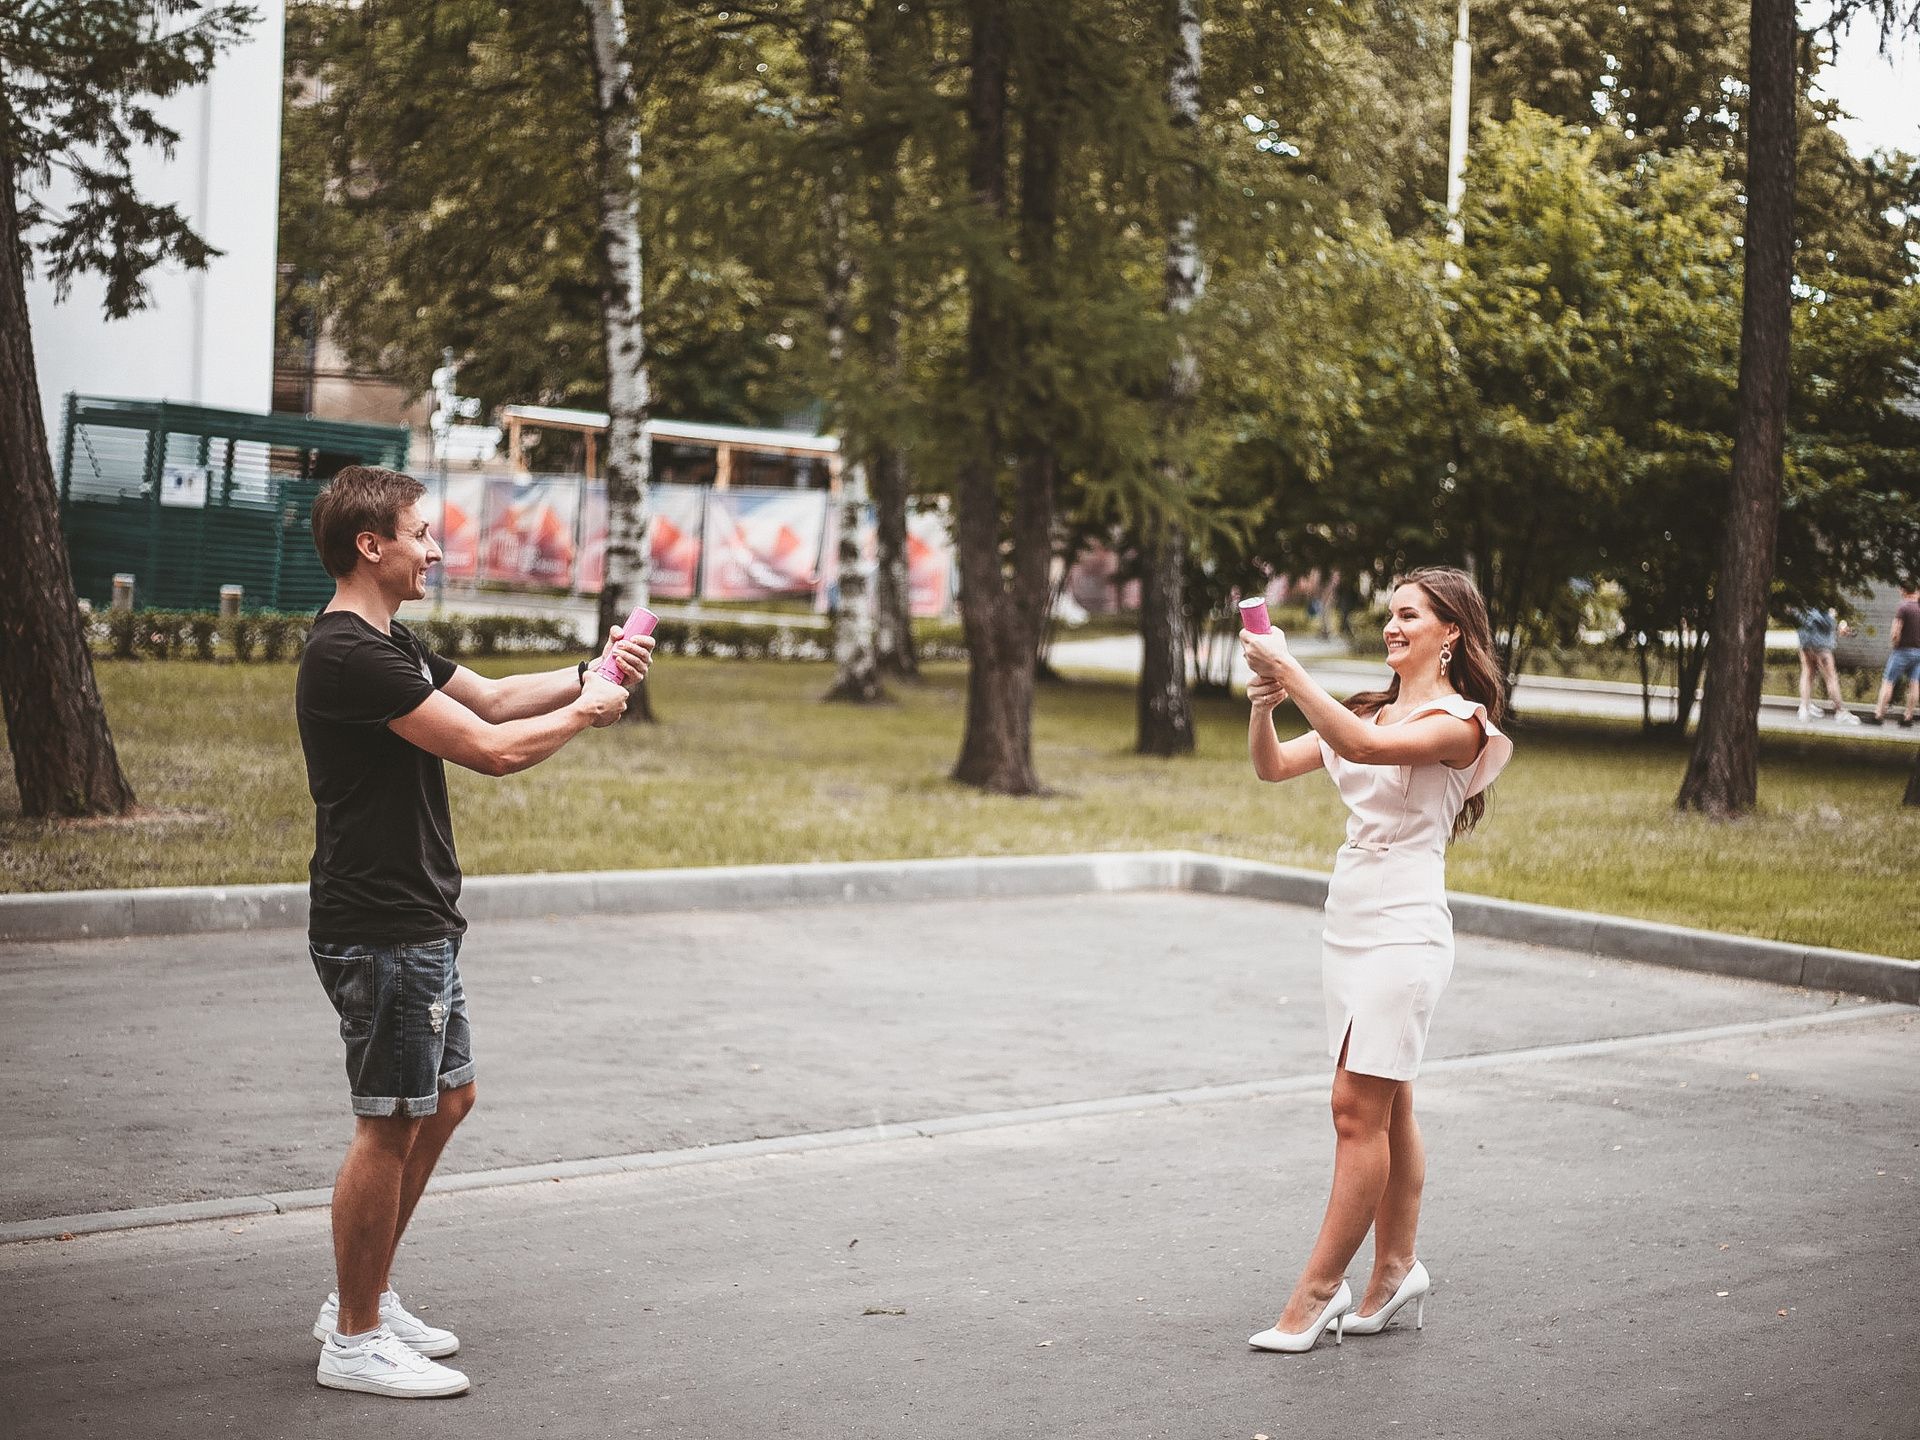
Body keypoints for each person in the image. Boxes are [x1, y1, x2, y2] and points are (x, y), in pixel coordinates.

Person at [296, 466, 651, 1397]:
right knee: (389, 1121)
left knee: (447, 1100)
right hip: (381, 923)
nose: (435, 549)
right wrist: (587, 712)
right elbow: (492, 750)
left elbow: (490, 699)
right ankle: (354, 1339)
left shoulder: (388, 641)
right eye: (421, 533)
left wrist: (588, 672)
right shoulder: (349, 656)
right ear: (371, 545)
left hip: (415, 917)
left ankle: (363, 1297)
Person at [1238, 566, 1512, 1353]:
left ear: (1451, 631)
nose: (1393, 626)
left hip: (1406, 923)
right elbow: (1273, 766)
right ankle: (1396, 1271)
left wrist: (1289, 668)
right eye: (1390, 614)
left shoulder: (1461, 724)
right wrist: (1265, 705)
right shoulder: (1366, 709)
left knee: (1354, 1108)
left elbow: (1362, 747)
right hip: (1350, 917)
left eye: (1410, 615)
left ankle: (1318, 1294)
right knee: (1390, 1104)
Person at [1863, 583, 1920, 728]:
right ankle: (1908, 717)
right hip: (1918, 652)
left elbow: (1896, 630)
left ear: (1904, 591)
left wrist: (1895, 644)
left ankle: (1878, 715)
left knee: (1888, 682)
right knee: (1914, 684)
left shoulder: (1903, 606)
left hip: (1902, 651)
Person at [1791, 604, 1859, 724]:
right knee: (1831, 678)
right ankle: (1840, 711)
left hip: (1805, 643)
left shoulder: (1802, 600)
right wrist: (1835, 620)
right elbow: (1827, 621)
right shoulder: (1823, 601)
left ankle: (1804, 708)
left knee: (1807, 674)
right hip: (1822, 645)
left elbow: (1796, 615)